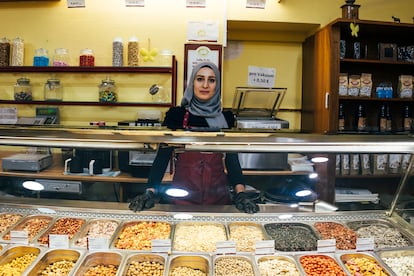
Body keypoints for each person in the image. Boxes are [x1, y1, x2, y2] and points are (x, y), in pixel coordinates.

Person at [128, 61, 259, 214]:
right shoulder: (176, 116)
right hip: (182, 196)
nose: (205, 85)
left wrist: (240, 193)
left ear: (217, 85)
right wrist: (150, 191)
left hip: (218, 197)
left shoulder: (226, 118)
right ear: (192, 83)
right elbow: (162, 157)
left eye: (211, 80)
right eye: (200, 79)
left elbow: (232, 160)